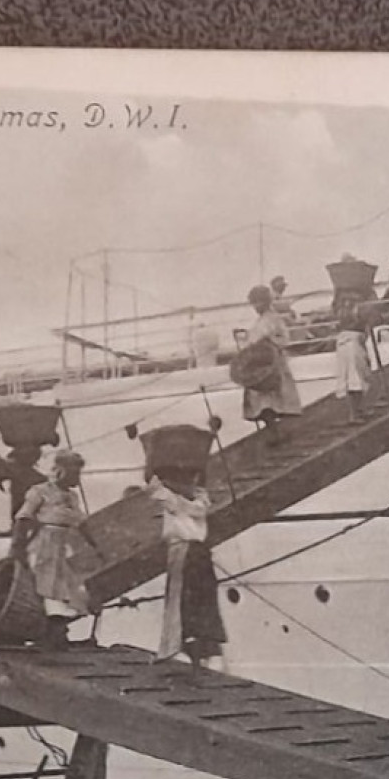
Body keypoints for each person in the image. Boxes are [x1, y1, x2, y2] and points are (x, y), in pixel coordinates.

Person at [12, 450, 101, 649]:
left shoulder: (73, 496)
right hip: (45, 543)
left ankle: (58, 633)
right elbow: (23, 518)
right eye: (74, 473)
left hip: (64, 544)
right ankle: (51, 634)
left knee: (69, 588)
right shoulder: (39, 491)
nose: (77, 478)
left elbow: (81, 522)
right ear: (61, 471)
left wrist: (95, 546)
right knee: (48, 587)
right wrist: (17, 546)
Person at [149, 467, 227, 671]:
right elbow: (188, 503)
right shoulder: (192, 498)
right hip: (192, 550)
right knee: (196, 598)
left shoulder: (182, 498)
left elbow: (159, 490)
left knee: (187, 598)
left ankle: (189, 647)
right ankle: (199, 649)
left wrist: (166, 483)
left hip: (187, 550)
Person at [240, 285, 304, 445]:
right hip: (259, 364)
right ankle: (275, 432)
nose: (256, 307)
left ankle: (279, 433)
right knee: (262, 402)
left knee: (272, 402)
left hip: (272, 364)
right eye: (253, 304)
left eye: (258, 303)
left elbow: (283, 339)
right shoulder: (259, 321)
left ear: (266, 302)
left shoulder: (274, 319)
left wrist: (268, 342)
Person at [332, 294, 373, 423]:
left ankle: (359, 410)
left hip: (349, 343)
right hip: (353, 344)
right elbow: (363, 323)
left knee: (355, 378)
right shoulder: (353, 311)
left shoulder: (343, 311)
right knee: (355, 379)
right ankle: (354, 414)